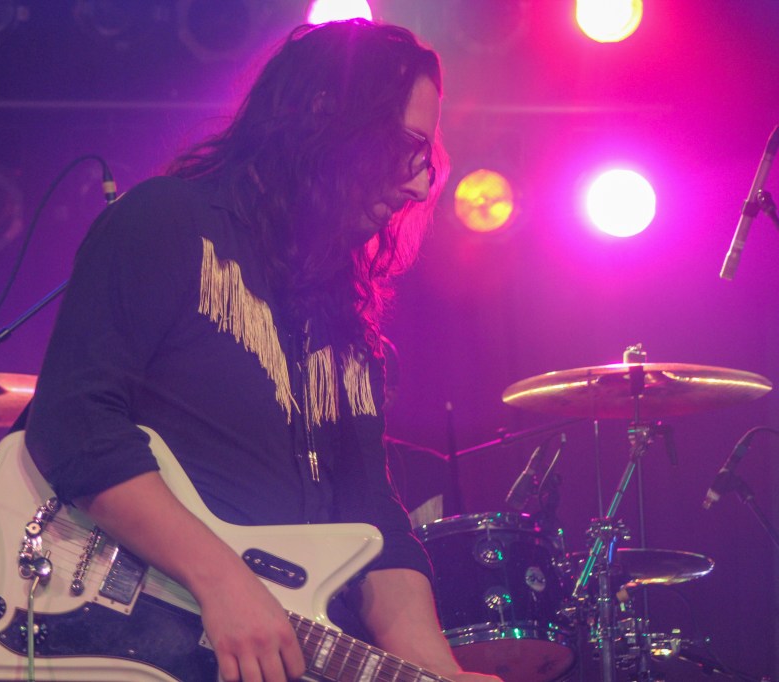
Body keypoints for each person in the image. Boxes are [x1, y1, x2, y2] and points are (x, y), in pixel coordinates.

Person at [25, 19, 502, 682]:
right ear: (325, 117)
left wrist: (435, 669)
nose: (422, 186)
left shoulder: (345, 316)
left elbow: (371, 517)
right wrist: (222, 579)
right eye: (407, 146)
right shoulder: (168, 220)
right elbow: (75, 423)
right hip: (131, 631)